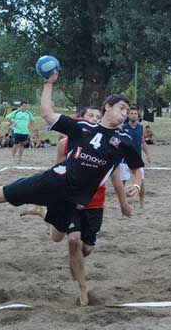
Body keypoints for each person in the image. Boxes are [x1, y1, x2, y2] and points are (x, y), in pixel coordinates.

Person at [0, 72, 144, 303]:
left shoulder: (124, 142)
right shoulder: (82, 127)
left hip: (75, 199)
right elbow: (47, 113)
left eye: (128, 110)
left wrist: (135, 184)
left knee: (71, 242)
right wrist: (48, 83)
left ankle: (46, 215)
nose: (125, 113)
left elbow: (136, 169)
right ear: (108, 107)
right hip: (54, 181)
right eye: (122, 108)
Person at [21, 106, 131, 305]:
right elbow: (57, 171)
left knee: (84, 248)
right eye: (91, 116)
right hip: (69, 199)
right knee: (71, 240)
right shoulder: (65, 143)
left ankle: (43, 213)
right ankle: (83, 290)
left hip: (95, 204)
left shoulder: (109, 143)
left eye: (98, 117)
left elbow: (115, 176)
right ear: (81, 119)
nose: (95, 119)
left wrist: (123, 203)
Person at [120, 105, 152, 208]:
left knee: (141, 183)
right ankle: (123, 203)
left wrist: (148, 155)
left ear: (138, 116)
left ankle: (142, 203)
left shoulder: (140, 128)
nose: (133, 115)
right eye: (131, 113)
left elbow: (143, 142)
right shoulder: (123, 128)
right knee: (122, 182)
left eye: (135, 114)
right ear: (128, 115)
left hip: (137, 160)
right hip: (124, 160)